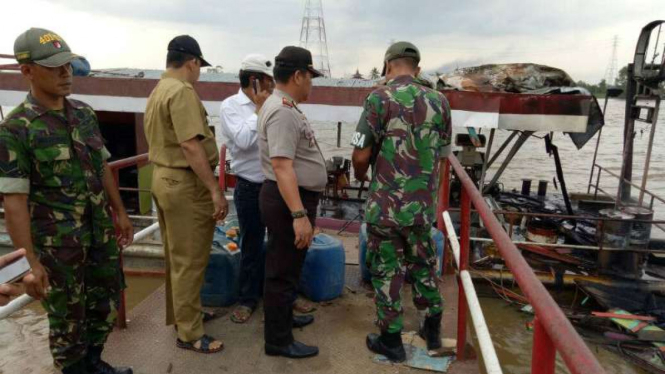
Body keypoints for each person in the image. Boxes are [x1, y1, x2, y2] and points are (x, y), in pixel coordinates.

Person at [0, 28, 134, 374]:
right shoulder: (16, 129)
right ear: (26, 70)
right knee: (67, 320)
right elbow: (14, 203)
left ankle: (95, 363)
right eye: (55, 67)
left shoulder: (84, 114)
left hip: (99, 234)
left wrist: (120, 212)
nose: (65, 74)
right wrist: (30, 263)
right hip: (59, 247)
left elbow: (102, 166)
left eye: (69, 66)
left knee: (104, 305)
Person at [351, 41, 452, 363]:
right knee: (424, 265)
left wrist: (361, 174)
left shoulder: (378, 98)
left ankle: (391, 341)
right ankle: (432, 329)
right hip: (422, 207)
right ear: (417, 68)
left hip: (385, 207)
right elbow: (444, 154)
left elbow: (360, 152)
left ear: (387, 65)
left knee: (386, 271)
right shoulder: (440, 101)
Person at [144, 35, 228, 354]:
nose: (199, 74)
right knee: (190, 260)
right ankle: (190, 333)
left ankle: (185, 316)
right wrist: (214, 190)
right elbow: (191, 145)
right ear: (192, 62)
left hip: (163, 179)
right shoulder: (181, 91)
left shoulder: (158, 89)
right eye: (199, 67)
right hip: (184, 183)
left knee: (177, 257)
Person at [258, 46, 326, 359]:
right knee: (282, 271)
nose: (312, 82)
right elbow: (282, 166)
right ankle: (278, 340)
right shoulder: (283, 111)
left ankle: (284, 320)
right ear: (298, 75)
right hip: (289, 201)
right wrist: (299, 214)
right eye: (310, 76)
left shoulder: (283, 105)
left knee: (287, 266)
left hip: (287, 197)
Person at [219, 54, 274, 324]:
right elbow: (241, 141)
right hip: (250, 187)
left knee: (279, 244)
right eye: (267, 82)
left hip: (275, 186)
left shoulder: (274, 104)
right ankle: (247, 299)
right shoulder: (231, 106)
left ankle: (278, 296)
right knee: (251, 245)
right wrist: (259, 111)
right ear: (254, 81)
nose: (272, 87)